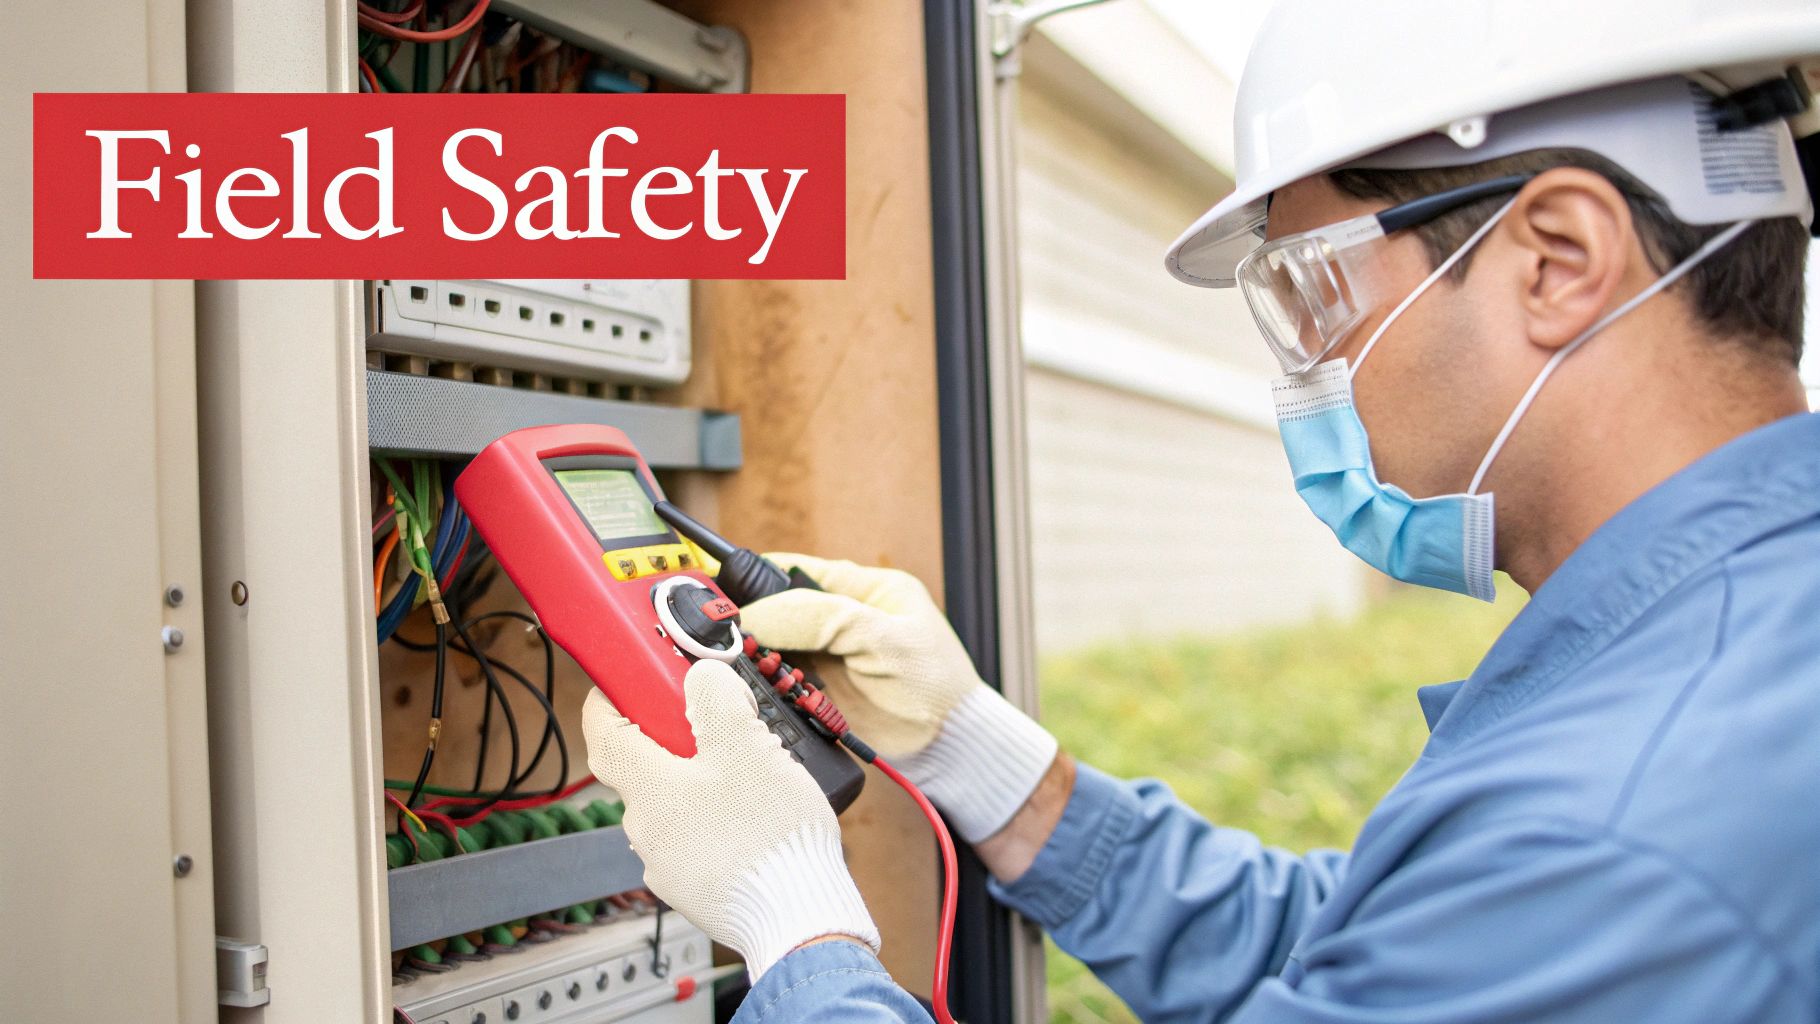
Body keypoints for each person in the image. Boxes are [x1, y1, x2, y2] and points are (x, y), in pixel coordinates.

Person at [582, 2, 1820, 1020]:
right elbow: (1367, 953)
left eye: (1310, 290)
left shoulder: (1632, 806)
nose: (1302, 368)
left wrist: (792, 916)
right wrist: (983, 757)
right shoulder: (1739, 637)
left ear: (1556, 257)